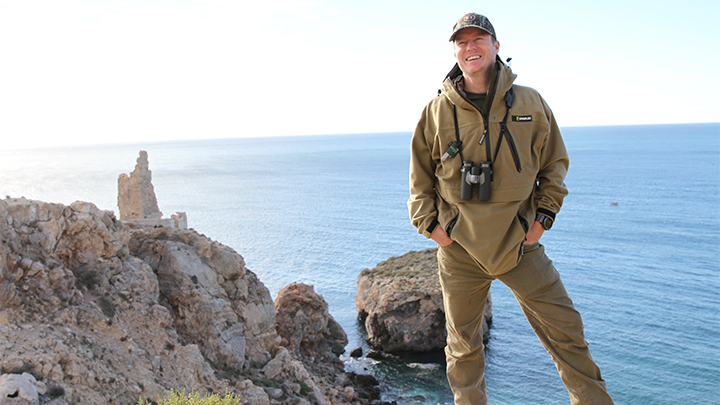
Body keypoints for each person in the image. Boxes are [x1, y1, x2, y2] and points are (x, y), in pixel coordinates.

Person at [407, 12, 614, 405]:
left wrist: (540, 221)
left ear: (496, 46)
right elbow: (420, 181)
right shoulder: (435, 112)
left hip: (520, 245)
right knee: (464, 348)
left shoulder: (530, 102)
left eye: (478, 39)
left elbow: (555, 165)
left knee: (566, 332)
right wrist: (434, 230)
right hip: (461, 252)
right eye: (462, 42)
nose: (471, 47)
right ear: (454, 51)